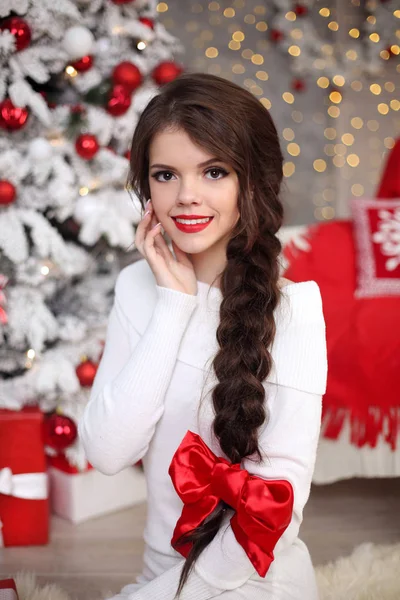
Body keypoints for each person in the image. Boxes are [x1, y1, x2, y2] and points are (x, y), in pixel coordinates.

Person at [78, 72, 328, 600]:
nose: (186, 197)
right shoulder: (138, 288)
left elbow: (272, 509)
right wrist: (174, 304)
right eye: (166, 175)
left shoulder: (296, 310)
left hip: (252, 584)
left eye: (213, 172)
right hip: (160, 576)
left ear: (250, 182)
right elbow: (106, 451)